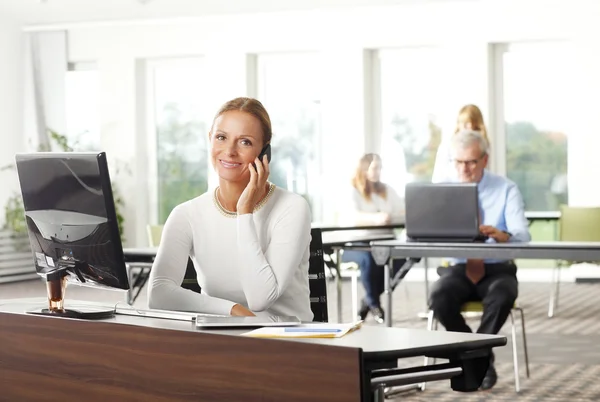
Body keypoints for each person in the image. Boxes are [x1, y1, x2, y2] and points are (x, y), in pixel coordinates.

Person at [148, 97, 313, 321]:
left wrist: (244, 211)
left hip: (285, 343)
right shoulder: (186, 214)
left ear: (264, 152)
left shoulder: (292, 208)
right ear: (210, 139)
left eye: (245, 142)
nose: (230, 151)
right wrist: (231, 309)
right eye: (221, 137)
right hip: (221, 339)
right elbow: (158, 295)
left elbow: (260, 299)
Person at [428, 129, 531, 390]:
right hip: (458, 269)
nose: (464, 168)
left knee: (502, 295)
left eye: (471, 161)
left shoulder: (506, 188)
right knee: (439, 297)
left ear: (485, 160)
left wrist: (502, 235)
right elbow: (418, 233)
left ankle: (473, 356)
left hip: (497, 268)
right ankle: (479, 355)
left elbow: (523, 235)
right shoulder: (440, 191)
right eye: (459, 162)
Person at [342, 153, 406, 323]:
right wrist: (375, 218)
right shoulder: (353, 190)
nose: (378, 171)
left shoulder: (387, 190)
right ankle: (374, 303)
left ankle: (368, 300)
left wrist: (390, 217)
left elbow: (402, 211)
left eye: (380, 167)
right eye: (374, 167)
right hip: (359, 243)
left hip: (386, 239)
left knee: (408, 256)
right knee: (370, 259)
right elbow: (351, 217)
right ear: (364, 169)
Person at [432, 104, 489, 183]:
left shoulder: (483, 147)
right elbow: (438, 177)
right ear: (459, 124)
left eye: (473, 124)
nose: (469, 127)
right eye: (465, 124)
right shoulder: (447, 146)